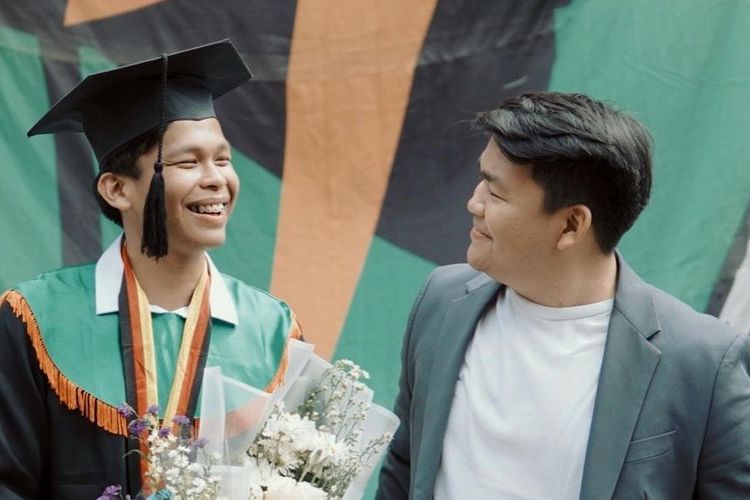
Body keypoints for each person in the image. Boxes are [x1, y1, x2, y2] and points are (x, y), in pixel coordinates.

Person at [376, 92, 750, 499]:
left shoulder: (704, 363)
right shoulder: (441, 300)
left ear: (572, 224)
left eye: (496, 194)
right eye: (482, 179)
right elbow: (405, 464)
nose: (474, 203)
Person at [0, 39, 300, 499]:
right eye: (187, 161)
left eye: (222, 159)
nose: (216, 178)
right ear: (118, 189)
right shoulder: (34, 318)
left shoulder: (272, 330)